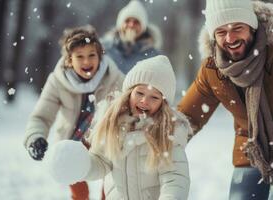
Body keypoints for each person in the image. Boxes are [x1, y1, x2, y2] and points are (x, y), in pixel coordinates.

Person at [178, 0, 273, 199]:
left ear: (252, 26)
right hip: (254, 146)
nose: (230, 38)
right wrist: (155, 140)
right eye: (221, 31)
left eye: (237, 28)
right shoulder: (213, 69)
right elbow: (187, 117)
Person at [45, 55, 191, 200]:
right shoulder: (113, 124)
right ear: (129, 93)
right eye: (139, 92)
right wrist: (82, 165)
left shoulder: (168, 134)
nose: (144, 100)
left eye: (154, 97)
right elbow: (101, 162)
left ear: (163, 103)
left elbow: (174, 179)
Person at [23, 25, 124, 200]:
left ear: (100, 56)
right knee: (79, 191)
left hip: (105, 142)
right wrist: (35, 138)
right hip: (73, 142)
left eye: (92, 55)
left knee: (109, 190)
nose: (87, 62)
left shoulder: (114, 77)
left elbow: (131, 106)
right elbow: (41, 116)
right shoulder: (57, 81)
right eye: (80, 56)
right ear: (70, 60)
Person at [102, 0, 162, 74]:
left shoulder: (153, 56)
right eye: (127, 21)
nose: (131, 25)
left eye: (136, 22)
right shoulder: (105, 49)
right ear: (120, 24)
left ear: (143, 27)